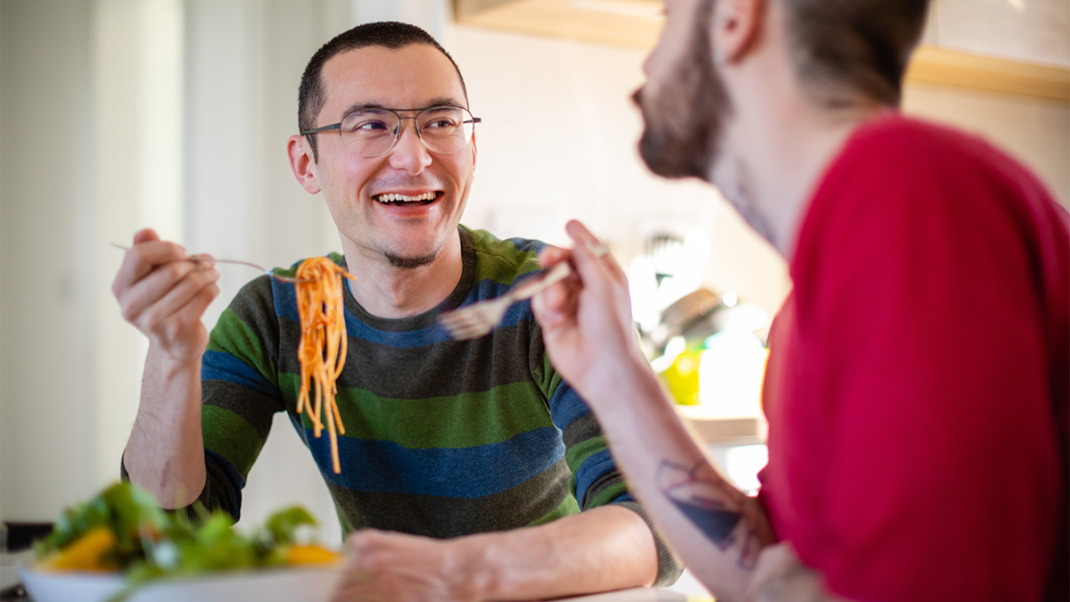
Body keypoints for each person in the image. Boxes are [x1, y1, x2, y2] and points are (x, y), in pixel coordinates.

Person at [111, 21, 680, 601]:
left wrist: (459, 575)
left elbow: (658, 529)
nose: (413, 157)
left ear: (472, 148)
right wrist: (170, 358)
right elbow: (167, 532)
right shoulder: (278, 317)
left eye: (440, 122)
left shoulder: (546, 298)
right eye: (371, 126)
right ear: (306, 163)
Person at [531, 0, 1070, 601]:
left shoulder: (905, 194)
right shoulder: (806, 306)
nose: (650, 60)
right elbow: (762, 560)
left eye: (667, 17)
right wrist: (613, 374)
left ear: (734, 18)